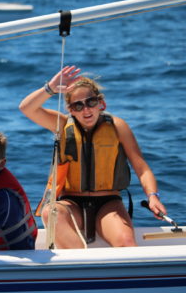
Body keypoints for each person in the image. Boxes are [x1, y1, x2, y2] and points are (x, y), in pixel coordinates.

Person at [18, 65, 167, 248]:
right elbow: (26, 108)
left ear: (101, 103)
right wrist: (51, 88)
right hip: (72, 203)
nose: (85, 110)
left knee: (127, 243)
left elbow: (141, 167)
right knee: (51, 212)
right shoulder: (62, 124)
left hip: (108, 203)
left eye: (91, 102)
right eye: (78, 105)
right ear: (70, 109)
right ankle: (82, 265)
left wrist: (153, 196)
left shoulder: (117, 127)